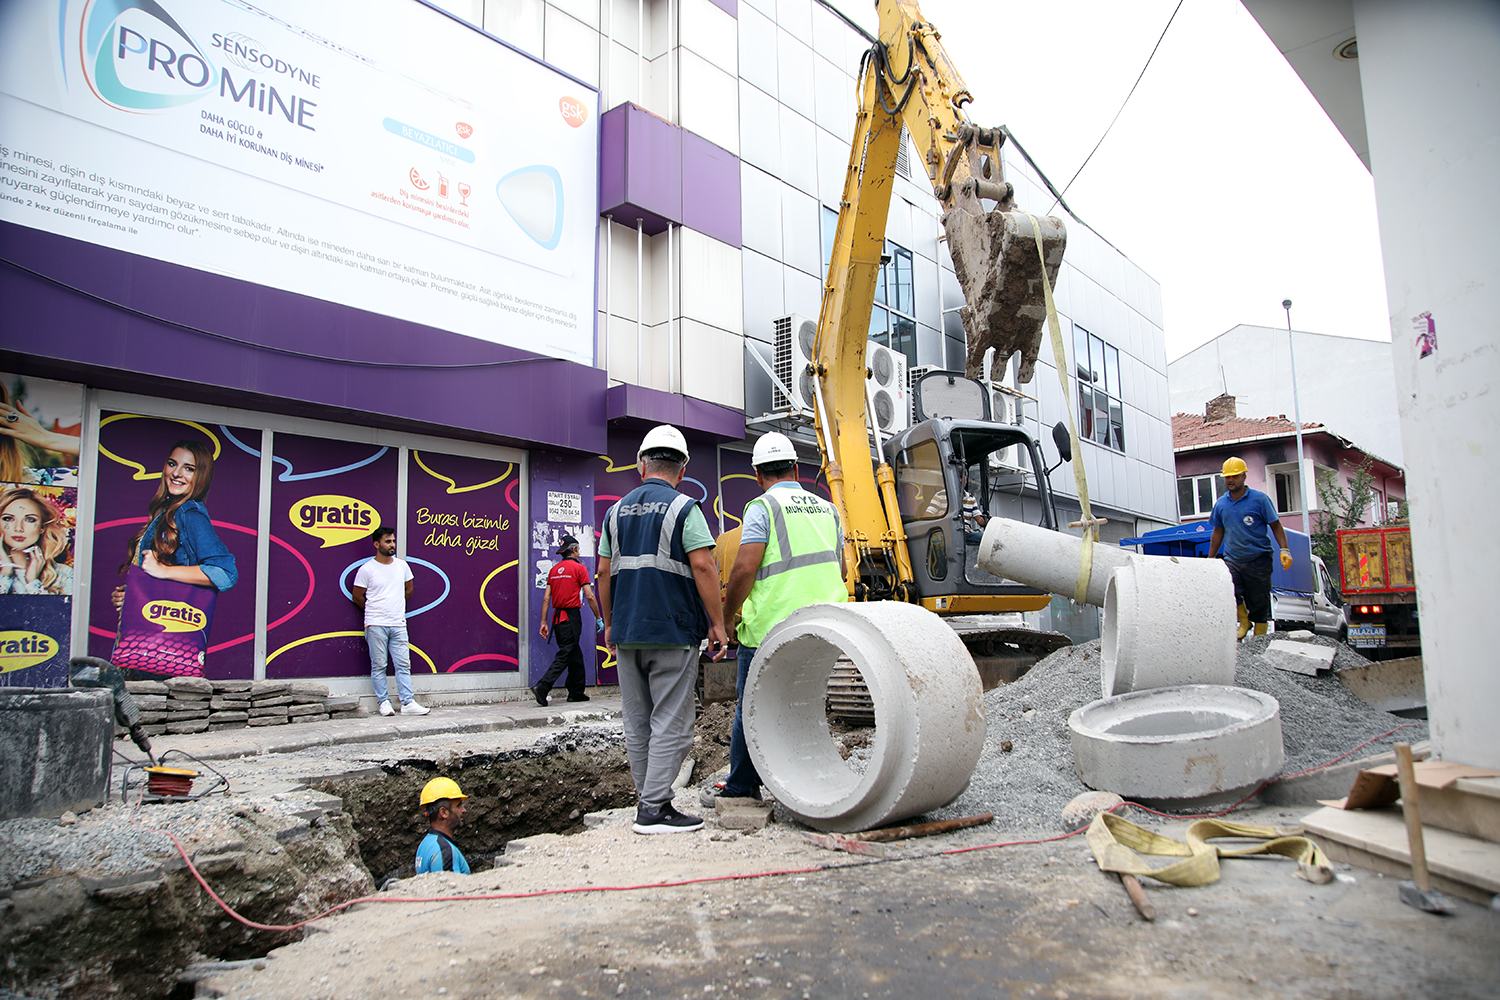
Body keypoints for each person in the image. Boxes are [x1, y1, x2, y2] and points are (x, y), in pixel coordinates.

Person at [597, 424, 728, 835]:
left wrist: (610, 622)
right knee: (672, 720)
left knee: (637, 719)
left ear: (641, 466)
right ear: (683, 468)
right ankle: (653, 808)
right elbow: (704, 565)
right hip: (672, 629)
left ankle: (649, 798)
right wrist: (718, 622)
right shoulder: (685, 508)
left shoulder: (614, 512)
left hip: (628, 629)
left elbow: (602, 571)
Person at [713, 432, 847, 806]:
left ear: (757, 474)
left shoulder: (762, 507)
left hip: (771, 627)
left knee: (751, 705)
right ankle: (804, 778)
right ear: (796, 469)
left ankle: (741, 785)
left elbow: (743, 568)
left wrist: (726, 618)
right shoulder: (828, 509)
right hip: (823, 623)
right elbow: (840, 566)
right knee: (802, 701)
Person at [112, 439, 237, 611]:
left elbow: (225, 573)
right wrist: (133, 593)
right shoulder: (168, 512)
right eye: (172, 464)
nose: (176, 473)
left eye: (189, 468)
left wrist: (162, 570)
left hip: (166, 632)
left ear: (201, 476)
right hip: (149, 627)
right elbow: (166, 584)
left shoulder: (190, 514)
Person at [1208, 456, 1294, 639]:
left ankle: (1260, 636)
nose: (1230, 480)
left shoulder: (1260, 499)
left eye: (1235, 476)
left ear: (1244, 476)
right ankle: (1244, 622)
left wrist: (1284, 549)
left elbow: (1276, 526)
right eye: (1227, 477)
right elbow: (1218, 532)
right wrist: (1211, 559)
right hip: (1233, 559)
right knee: (1232, 591)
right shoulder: (1221, 504)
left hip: (1258, 558)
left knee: (1258, 600)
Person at [352, 526, 429, 717]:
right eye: (388, 541)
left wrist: (396, 609)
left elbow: (409, 589)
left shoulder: (402, 566)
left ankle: (408, 703)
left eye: (393, 541)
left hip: (398, 623)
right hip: (375, 624)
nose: (392, 544)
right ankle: (384, 702)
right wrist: (375, 611)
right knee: (379, 665)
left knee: (403, 664)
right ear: (376, 544)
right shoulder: (367, 569)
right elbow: (357, 596)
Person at [534, 533, 603, 705]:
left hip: (557, 619)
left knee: (574, 653)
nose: (579, 552)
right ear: (573, 550)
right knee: (566, 653)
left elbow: (546, 598)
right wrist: (598, 617)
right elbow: (590, 596)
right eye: (578, 549)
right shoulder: (579, 569)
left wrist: (543, 622)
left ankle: (576, 692)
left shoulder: (554, 570)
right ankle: (543, 686)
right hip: (571, 617)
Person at [0, 486, 73, 595]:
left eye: (30, 519)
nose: (18, 528)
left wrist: (33, 582)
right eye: (8, 518)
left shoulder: (64, 574)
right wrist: (5, 572)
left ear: (41, 527)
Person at [414, 777, 470, 875]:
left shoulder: (426, 844)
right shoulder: (444, 850)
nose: (463, 810)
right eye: (458, 805)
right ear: (443, 812)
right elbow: (450, 888)